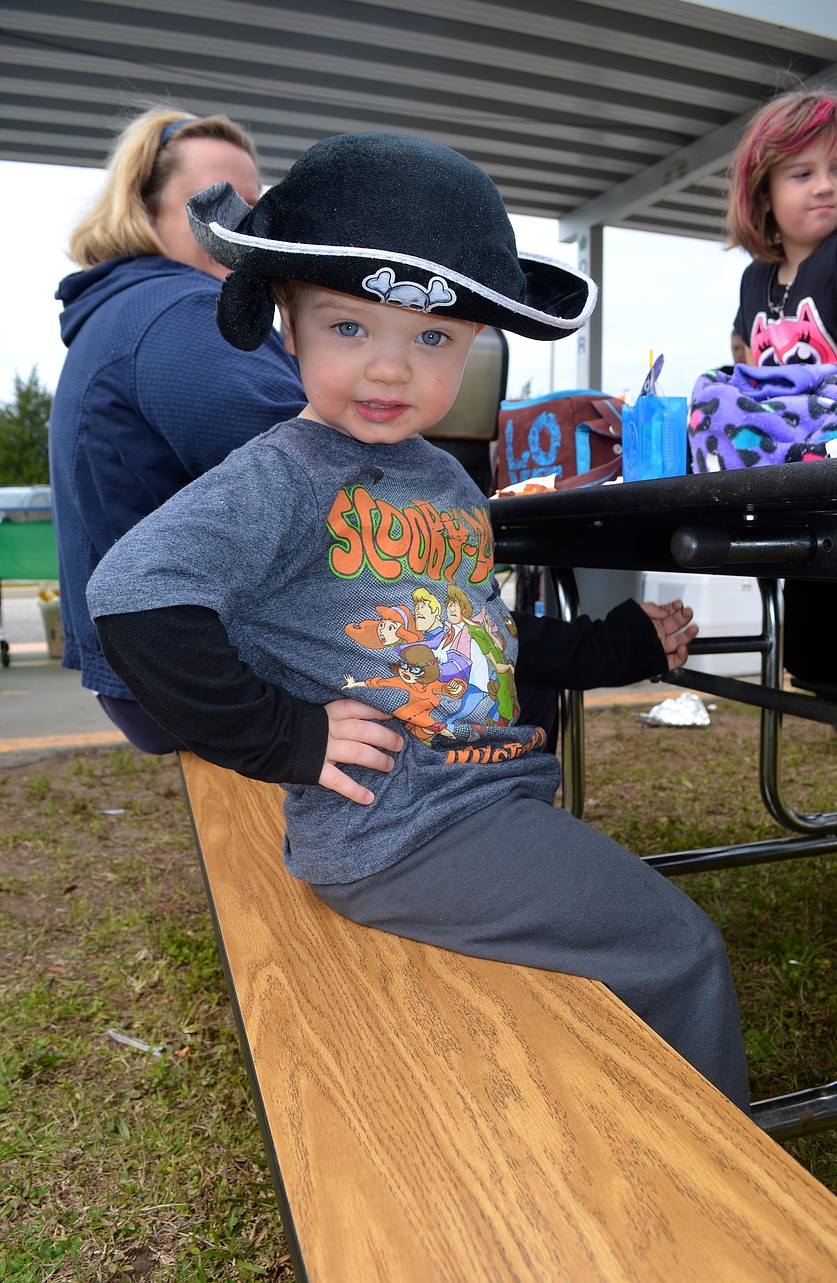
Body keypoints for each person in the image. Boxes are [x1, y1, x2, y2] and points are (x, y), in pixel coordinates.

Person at [86, 131, 750, 1110]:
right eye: (350, 328)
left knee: (602, 942)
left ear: (475, 342)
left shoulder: (443, 480)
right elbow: (130, 596)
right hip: (401, 831)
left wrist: (620, 646)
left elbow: (478, 643)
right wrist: (287, 734)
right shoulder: (287, 472)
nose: (390, 368)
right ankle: (722, 1199)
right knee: (677, 944)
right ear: (289, 323)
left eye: (431, 338)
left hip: (478, 804)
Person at [49, 105, 306, 753]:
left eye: (251, 207)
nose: (239, 227)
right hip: (207, 669)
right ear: (146, 210)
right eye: (211, 204)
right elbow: (320, 472)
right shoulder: (184, 311)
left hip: (145, 667)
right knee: (488, 669)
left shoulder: (121, 310)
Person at [727, 85, 837, 736]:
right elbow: (744, 356)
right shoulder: (757, 277)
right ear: (764, 192)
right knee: (821, 659)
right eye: (802, 174)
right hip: (792, 484)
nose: (825, 187)